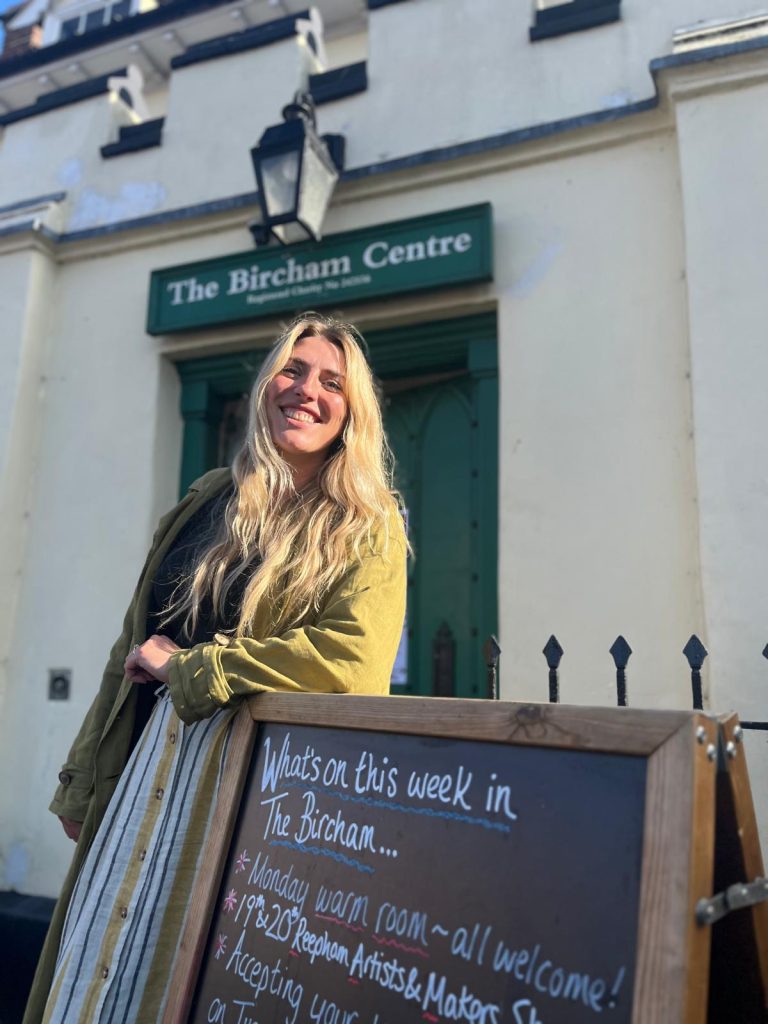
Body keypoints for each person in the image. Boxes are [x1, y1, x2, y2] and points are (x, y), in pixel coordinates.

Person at [25, 313, 407, 1024]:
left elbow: (348, 663)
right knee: (98, 974)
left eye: (331, 381)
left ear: (353, 410)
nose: (306, 391)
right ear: (267, 384)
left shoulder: (366, 524)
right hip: (140, 773)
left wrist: (195, 670)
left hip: (247, 793)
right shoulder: (208, 497)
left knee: (189, 976)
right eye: (293, 370)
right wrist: (85, 779)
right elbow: (132, 644)